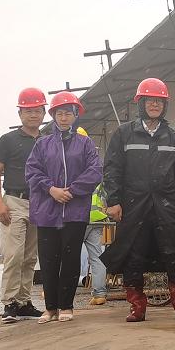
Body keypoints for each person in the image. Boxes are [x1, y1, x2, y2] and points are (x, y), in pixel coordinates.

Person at [99, 78, 175, 323]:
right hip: (133, 206)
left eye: (159, 101)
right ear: (140, 103)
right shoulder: (123, 134)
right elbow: (112, 170)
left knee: (174, 253)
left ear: (165, 105)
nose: (155, 104)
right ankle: (137, 306)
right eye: (150, 100)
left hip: (167, 205)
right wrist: (114, 201)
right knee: (134, 254)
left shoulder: (172, 137)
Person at [24, 92, 103, 323]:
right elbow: (32, 171)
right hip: (47, 211)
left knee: (70, 260)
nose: (64, 117)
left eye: (69, 113)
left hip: (75, 212)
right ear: (53, 116)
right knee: (48, 260)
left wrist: (72, 190)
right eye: (60, 113)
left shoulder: (85, 144)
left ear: (76, 115)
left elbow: (95, 171)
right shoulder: (43, 144)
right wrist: (51, 189)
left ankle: (66, 306)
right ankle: (50, 308)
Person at [0, 87, 46, 323]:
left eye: (37, 110)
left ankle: (24, 302)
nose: (33, 115)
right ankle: (10, 302)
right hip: (14, 200)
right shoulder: (8, 140)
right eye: (28, 111)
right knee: (13, 254)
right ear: (20, 114)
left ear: (44, 112)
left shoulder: (47, 141)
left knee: (30, 256)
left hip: (40, 203)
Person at [76, 127, 109, 306]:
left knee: (69, 255)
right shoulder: (96, 165)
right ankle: (100, 294)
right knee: (96, 257)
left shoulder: (72, 163)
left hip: (78, 218)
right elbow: (105, 192)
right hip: (96, 219)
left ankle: (59, 291)